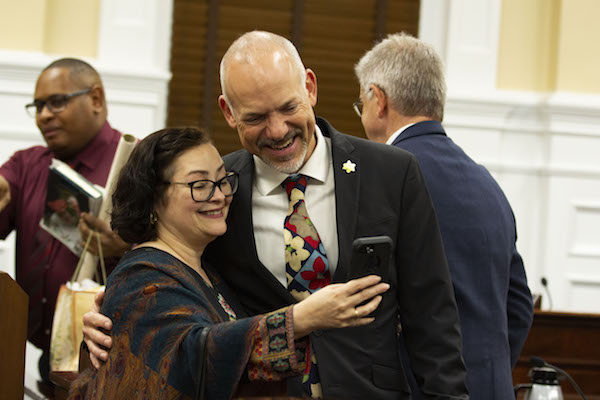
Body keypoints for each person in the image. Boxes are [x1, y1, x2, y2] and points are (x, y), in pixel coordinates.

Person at [84, 31, 469, 399]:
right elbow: (180, 281)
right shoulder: (219, 191)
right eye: (255, 117)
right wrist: (112, 310)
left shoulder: (392, 173)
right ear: (228, 112)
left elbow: (432, 317)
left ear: (310, 87)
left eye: (288, 108)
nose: (277, 130)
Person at [68, 127, 389, 399]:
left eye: (222, 181)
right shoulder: (141, 276)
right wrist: (301, 318)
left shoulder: (206, 269)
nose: (219, 195)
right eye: (200, 184)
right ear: (153, 197)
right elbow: (194, 357)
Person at [354, 32, 534, 399]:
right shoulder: (487, 183)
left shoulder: (383, 178)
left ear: (379, 100)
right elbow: (518, 305)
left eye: (361, 105)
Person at [0, 58, 129, 389]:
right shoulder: (26, 165)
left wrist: (124, 246)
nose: (44, 115)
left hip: (114, 363)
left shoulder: (137, 165)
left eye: (57, 102)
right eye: (38, 105)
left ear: (96, 99)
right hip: (47, 356)